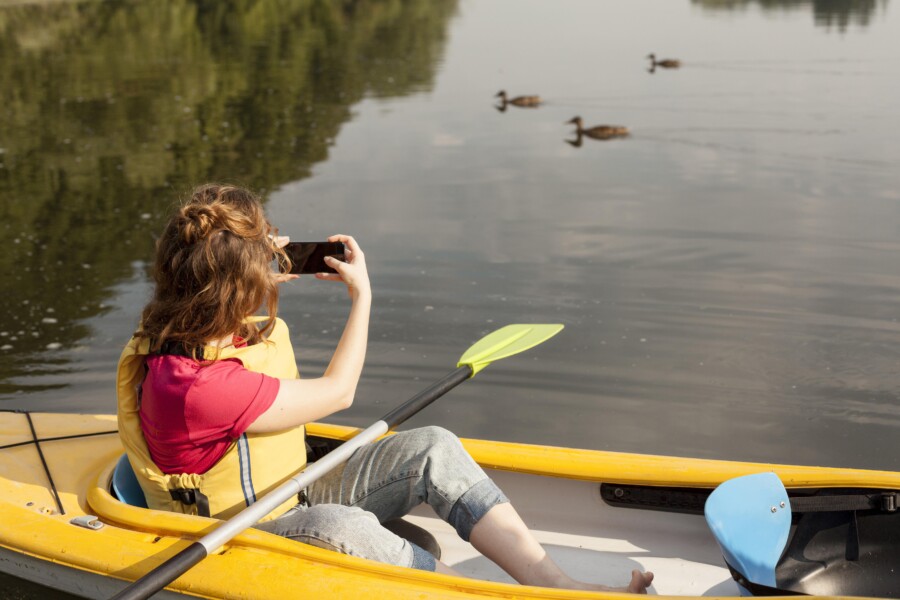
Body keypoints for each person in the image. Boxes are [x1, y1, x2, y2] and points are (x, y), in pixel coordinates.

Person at [116, 183, 653, 593]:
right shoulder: (196, 387)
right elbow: (339, 392)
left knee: (433, 447)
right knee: (344, 526)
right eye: (260, 256)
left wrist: (263, 262)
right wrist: (362, 296)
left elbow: (221, 287)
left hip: (285, 490)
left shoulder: (187, 325)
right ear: (235, 287)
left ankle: (557, 588)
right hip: (242, 531)